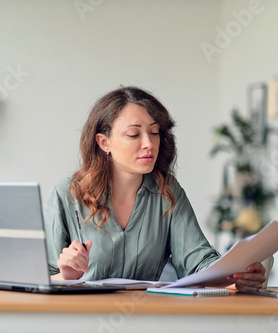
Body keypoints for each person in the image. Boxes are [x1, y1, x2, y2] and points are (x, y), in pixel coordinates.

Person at [44, 86, 266, 292]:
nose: (149, 143)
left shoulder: (167, 191)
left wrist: (237, 276)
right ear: (104, 143)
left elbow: (198, 262)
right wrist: (66, 277)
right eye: (134, 134)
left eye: (154, 132)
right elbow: (36, 279)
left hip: (147, 317)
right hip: (80, 319)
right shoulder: (65, 195)